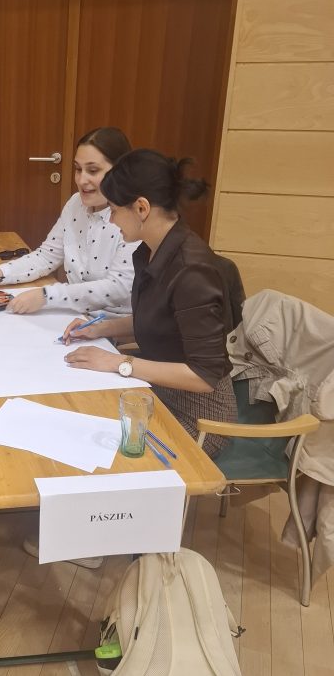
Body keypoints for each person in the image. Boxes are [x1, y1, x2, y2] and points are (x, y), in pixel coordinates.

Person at [61, 149, 237, 457]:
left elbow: (204, 376)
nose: (111, 220)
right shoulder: (149, 251)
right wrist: (100, 328)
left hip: (199, 416)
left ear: (141, 208)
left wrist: (119, 363)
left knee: (97, 446)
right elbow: (160, 319)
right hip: (157, 389)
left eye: (114, 210)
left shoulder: (191, 272)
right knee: (79, 412)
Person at [0, 127, 137, 316]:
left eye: (93, 170)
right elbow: (47, 256)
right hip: (76, 315)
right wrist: (0, 274)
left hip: (114, 325)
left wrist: (47, 296)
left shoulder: (133, 215)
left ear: (119, 172)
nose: (82, 180)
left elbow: (118, 287)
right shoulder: (75, 203)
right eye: (78, 169)